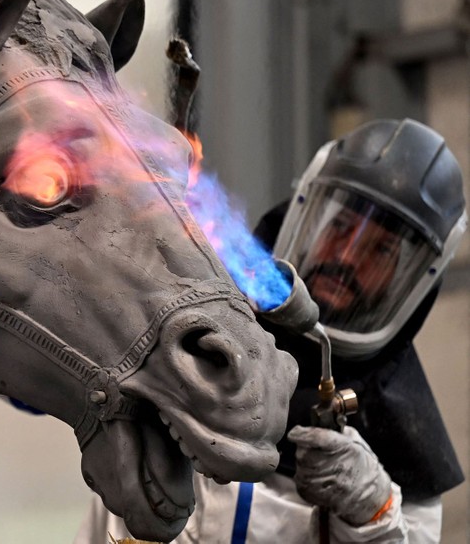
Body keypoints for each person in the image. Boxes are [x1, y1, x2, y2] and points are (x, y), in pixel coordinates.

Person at [75, 118, 467, 543]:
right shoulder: (196, 340)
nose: (348, 259)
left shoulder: (405, 451)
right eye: (338, 228)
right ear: (301, 211)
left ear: (414, 286)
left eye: (382, 251)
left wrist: (374, 514)